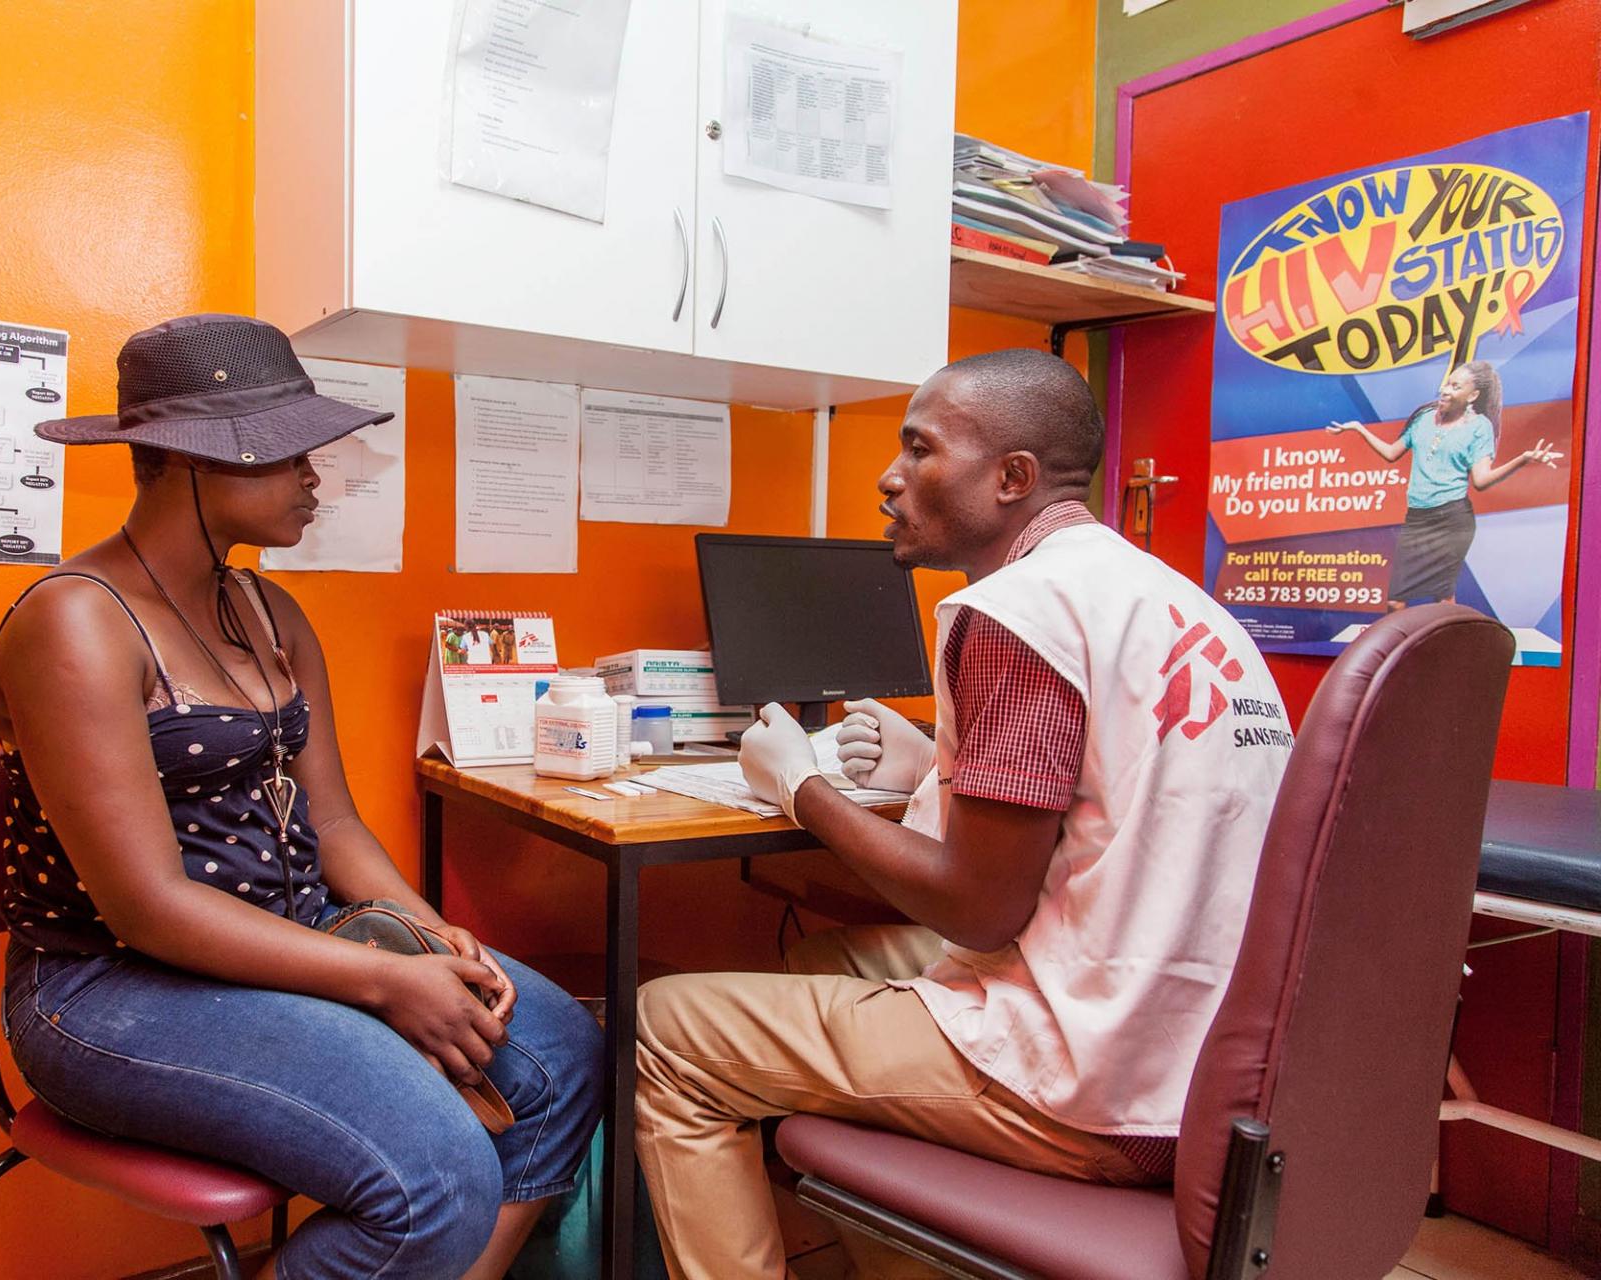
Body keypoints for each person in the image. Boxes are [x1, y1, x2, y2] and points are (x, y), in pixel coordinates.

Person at [632, 350, 1293, 1280]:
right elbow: (1107, 815)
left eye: (920, 450)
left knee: (666, 1028)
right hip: (1211, 1073)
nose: (888, 477)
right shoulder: (1168, 599)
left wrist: (798, 787)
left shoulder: (1019, 612)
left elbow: (981, 910)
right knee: (823, 959)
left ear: (1012, 478)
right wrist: (934, 773)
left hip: (1095, 1087)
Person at [0, 314, 601, 1280]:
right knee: (435, 1176)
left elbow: (335, 822)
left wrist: (428, 939)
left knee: (563, 1052)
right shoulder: (76, 624)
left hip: (296, 940)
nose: (318, 475)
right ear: (197, 461)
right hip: (109, 988)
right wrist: (386, 981)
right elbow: (147, 906)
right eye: (291, 454)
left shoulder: (270, 612)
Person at [1327, 360, 1560, 610]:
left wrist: (1522, 459)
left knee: (1443, 599)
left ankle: (1446, 648)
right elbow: (1392, 453)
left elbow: (1481, 481)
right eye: (1447, 383)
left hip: (1452, 520)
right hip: (1417, 519)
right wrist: (1360, 430)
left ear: (1473, 395)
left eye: (1456, 387)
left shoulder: (1479, 428)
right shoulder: (1425, 418)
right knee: (1395, 601)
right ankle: (1404, 649)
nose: (1446, 390)